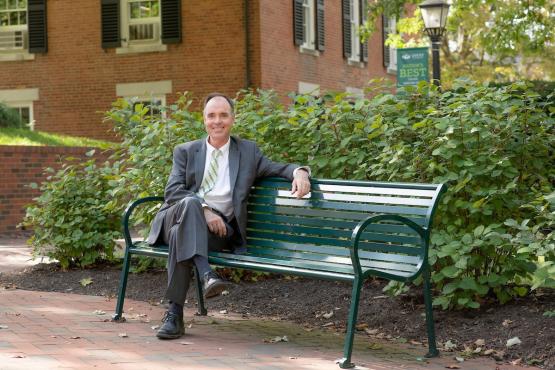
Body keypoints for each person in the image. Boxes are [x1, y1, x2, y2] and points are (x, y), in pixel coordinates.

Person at [146, 92, 311, 339]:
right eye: (211, 116)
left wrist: (300, 172)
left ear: (233, 119)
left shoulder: (247, 152)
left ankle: (175, 315)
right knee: (191, 204)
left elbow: (280, 168)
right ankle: (205, 273)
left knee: (180, 233)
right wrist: (205, 210)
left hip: (216, 232)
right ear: (204, 120)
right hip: (176, 214)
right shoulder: (186, 151)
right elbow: (172, 191)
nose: (217, 121)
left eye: (223, 115)